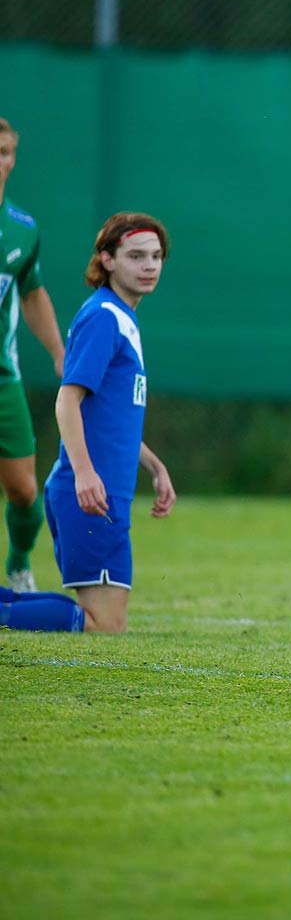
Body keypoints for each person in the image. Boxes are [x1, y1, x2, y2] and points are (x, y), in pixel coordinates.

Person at [1, 213, 176, 634]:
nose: (149, 265)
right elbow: (67, 401)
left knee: (104, 621)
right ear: (107, 259)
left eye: (156, 256)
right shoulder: (103, 317)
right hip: (90, 493)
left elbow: (113, 419)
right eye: (136, 256)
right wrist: (83, 473)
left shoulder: (121, 317)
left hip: (104, 491)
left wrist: (154, 466)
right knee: (105, 624)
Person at [0, 119, 67, 592]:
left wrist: (61, 354)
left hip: (4, 377)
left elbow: (33, 294)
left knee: (25, 489)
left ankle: (19, 565)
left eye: (4, 152)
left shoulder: (21, 227)